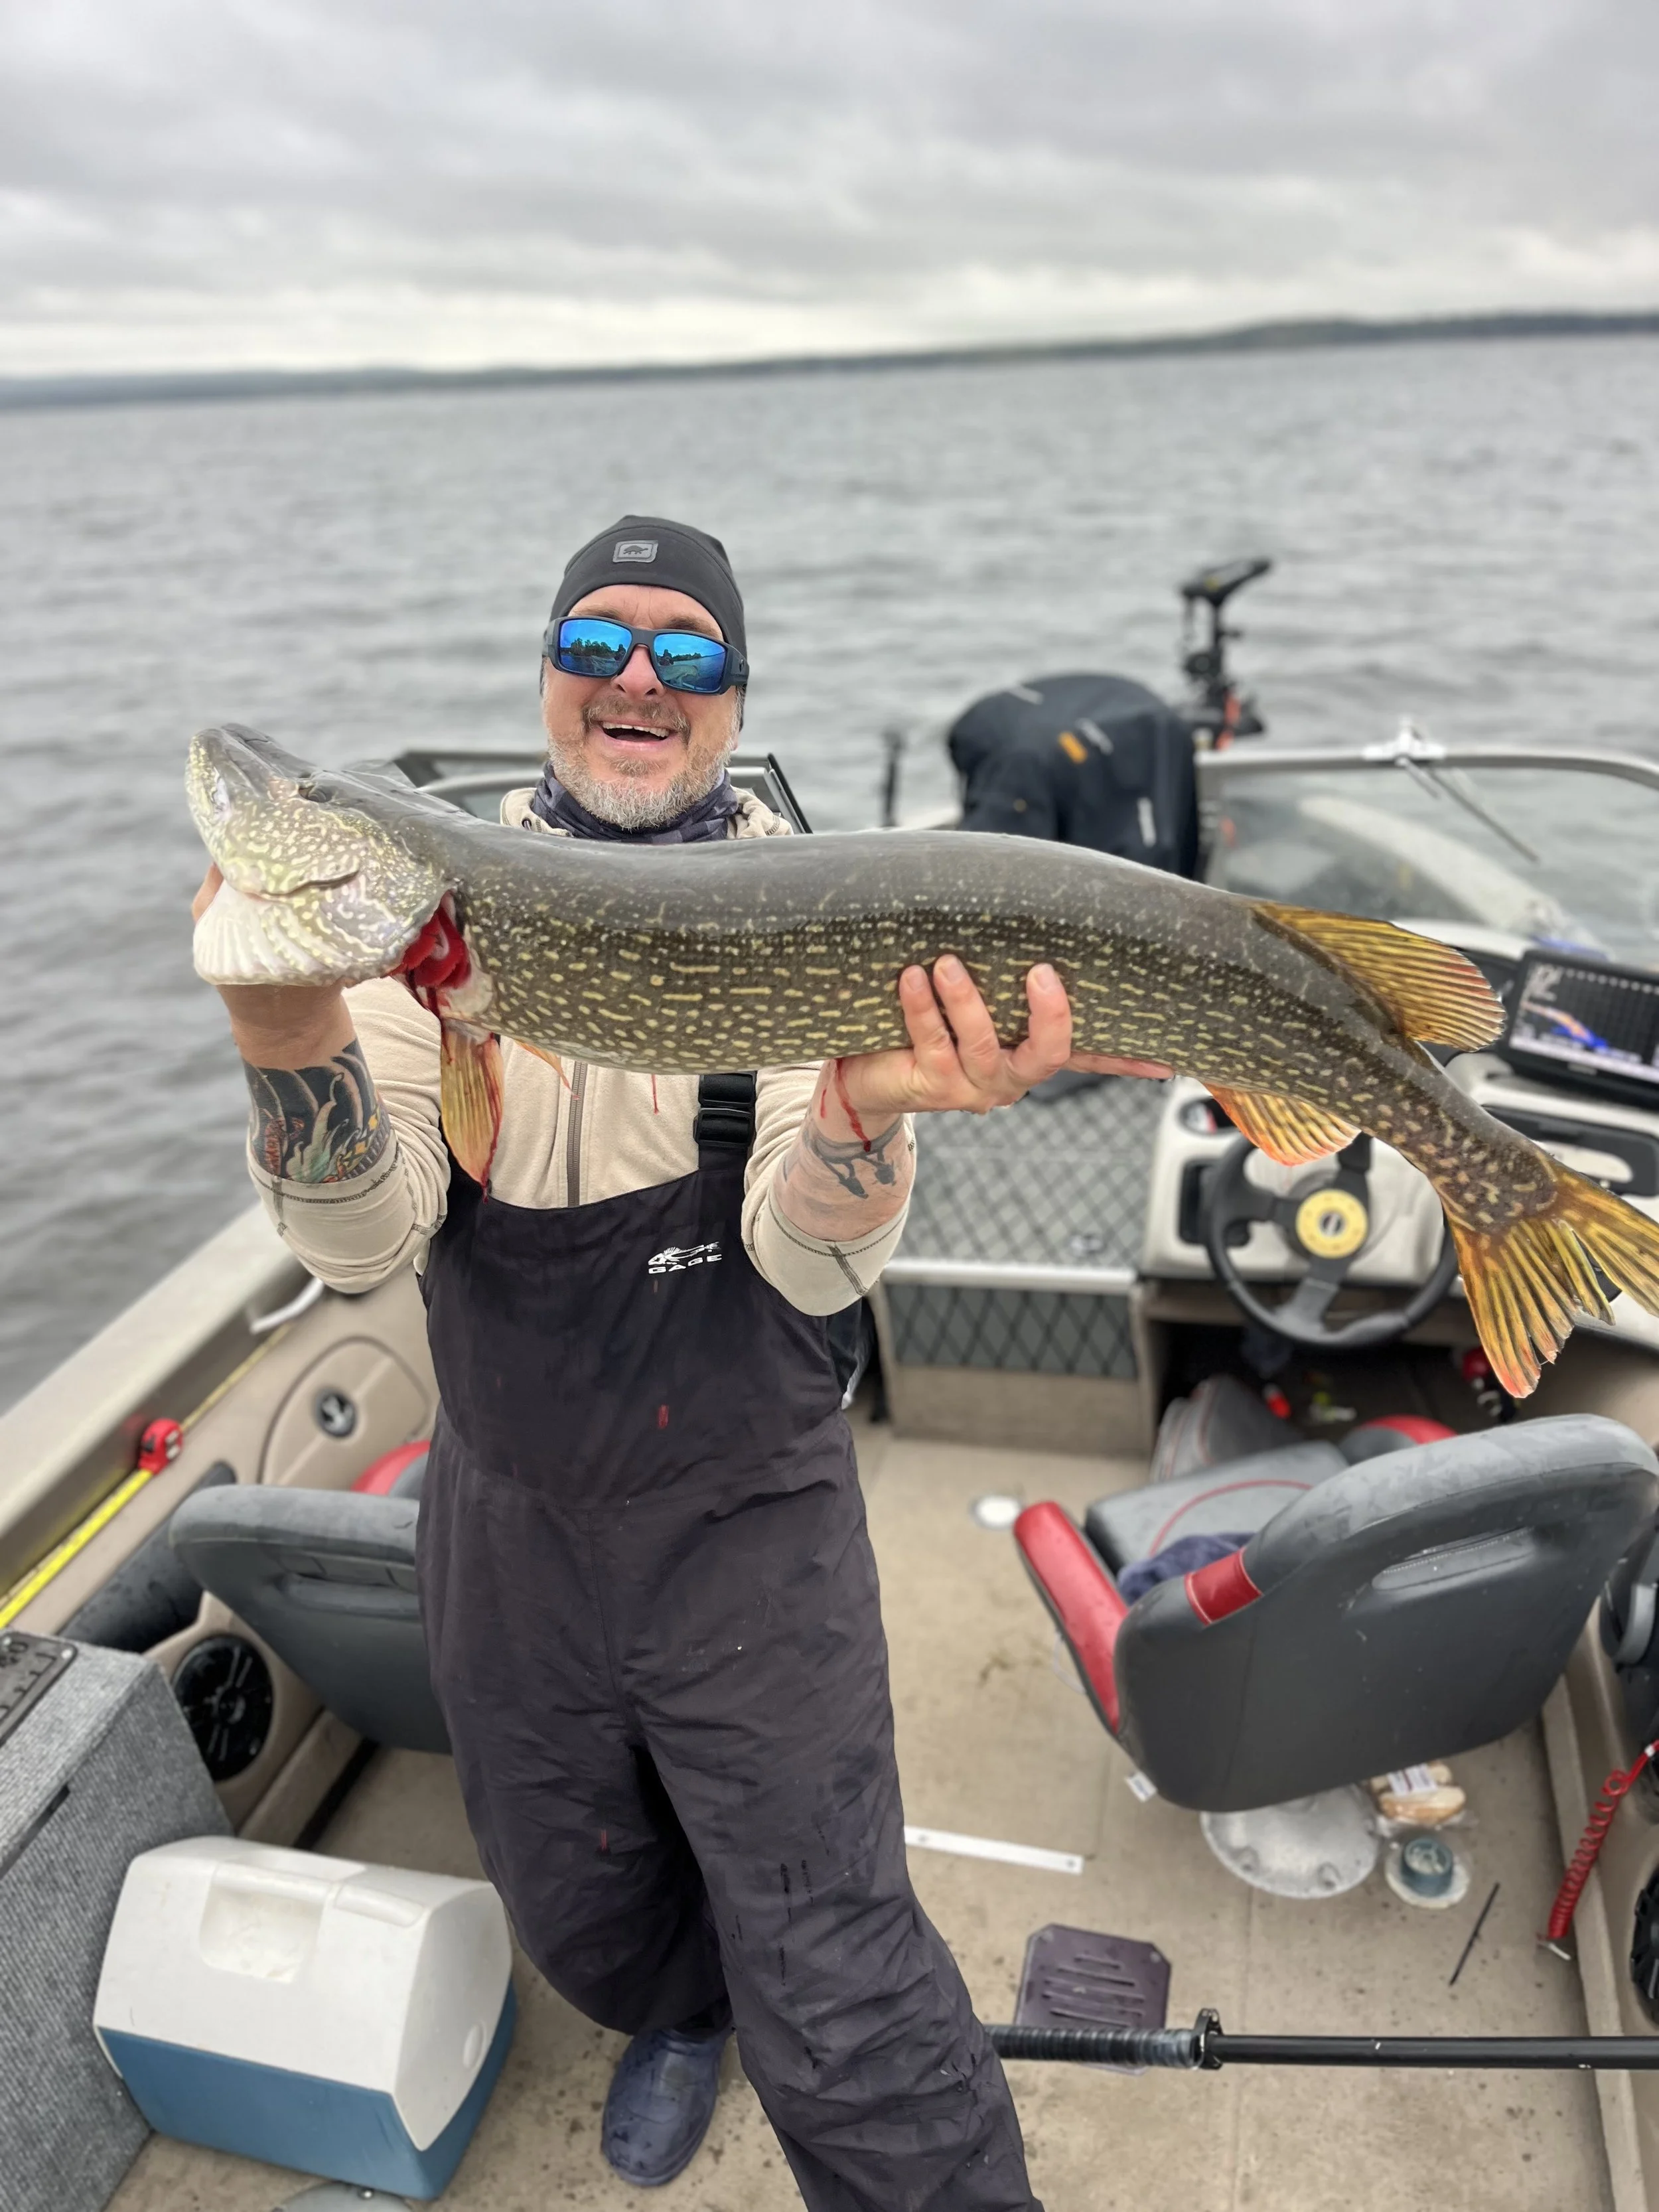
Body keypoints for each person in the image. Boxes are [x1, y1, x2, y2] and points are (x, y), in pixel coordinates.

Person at [194, 514, 1167, 2209]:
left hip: (745, 1509)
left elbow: (807, 1263)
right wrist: (288, 1033)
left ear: (731, 699)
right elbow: (359, 1244)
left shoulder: (808, 906)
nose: (636, 677)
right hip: (509, 1511)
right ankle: (676, 2008)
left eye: (687, 652)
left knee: (843, 1964)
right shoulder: (432, 926)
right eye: (595, 643)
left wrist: (864, 1109)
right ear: (550, 677)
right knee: (573, 1877)